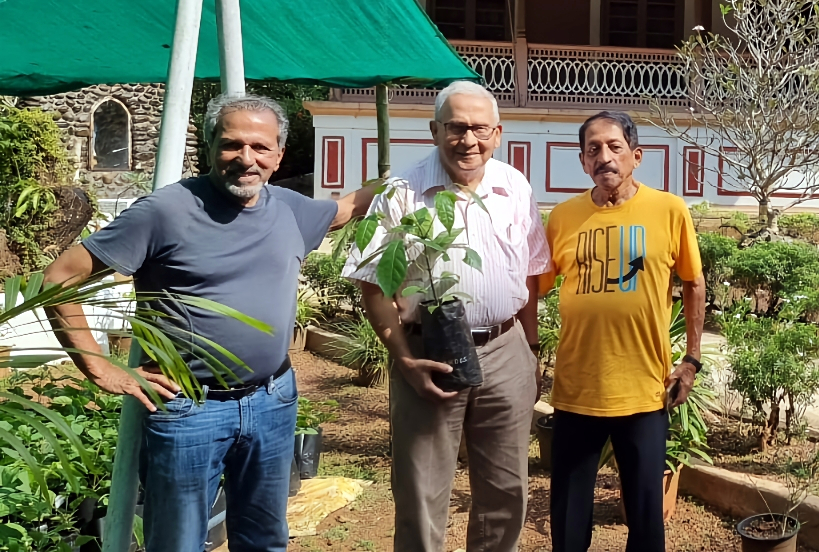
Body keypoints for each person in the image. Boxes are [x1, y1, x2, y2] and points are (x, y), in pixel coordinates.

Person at [43, 94, 376, 552]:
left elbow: (345, 209)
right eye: (232, 145)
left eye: (260, 147)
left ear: (279, 155)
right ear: (210, 146)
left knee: (264, 538)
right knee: (177, 543)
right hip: (188, 408)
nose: (246, 158)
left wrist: (415, 178)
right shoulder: (165, 212)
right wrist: (101, 367)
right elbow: (60, 275)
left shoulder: (291, 209)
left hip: (272, 399)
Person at [342, 81, 551, 552]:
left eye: (480, 129)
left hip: (506, 349)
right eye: (456, 127)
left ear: (497, 133)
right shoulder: (402, 192)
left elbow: (534, 273)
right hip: (427, 354)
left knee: (506, 489)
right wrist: (402, 358)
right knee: (422, 491)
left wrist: (530, 351)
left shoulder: (513, 185)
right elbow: (372, 282)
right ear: (435, 130)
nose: (468, 140)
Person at [541, 111, 706, 552]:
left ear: (636, 156)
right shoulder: (562, 217)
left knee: (646, 520)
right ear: (582, 161)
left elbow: (693, 282)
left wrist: (690, 359)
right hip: (578, 389)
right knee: (569, 522)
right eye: (593, 149)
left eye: (614, 147)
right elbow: (529, 288)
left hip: (645, 390)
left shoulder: (668, 210)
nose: (604, 157)